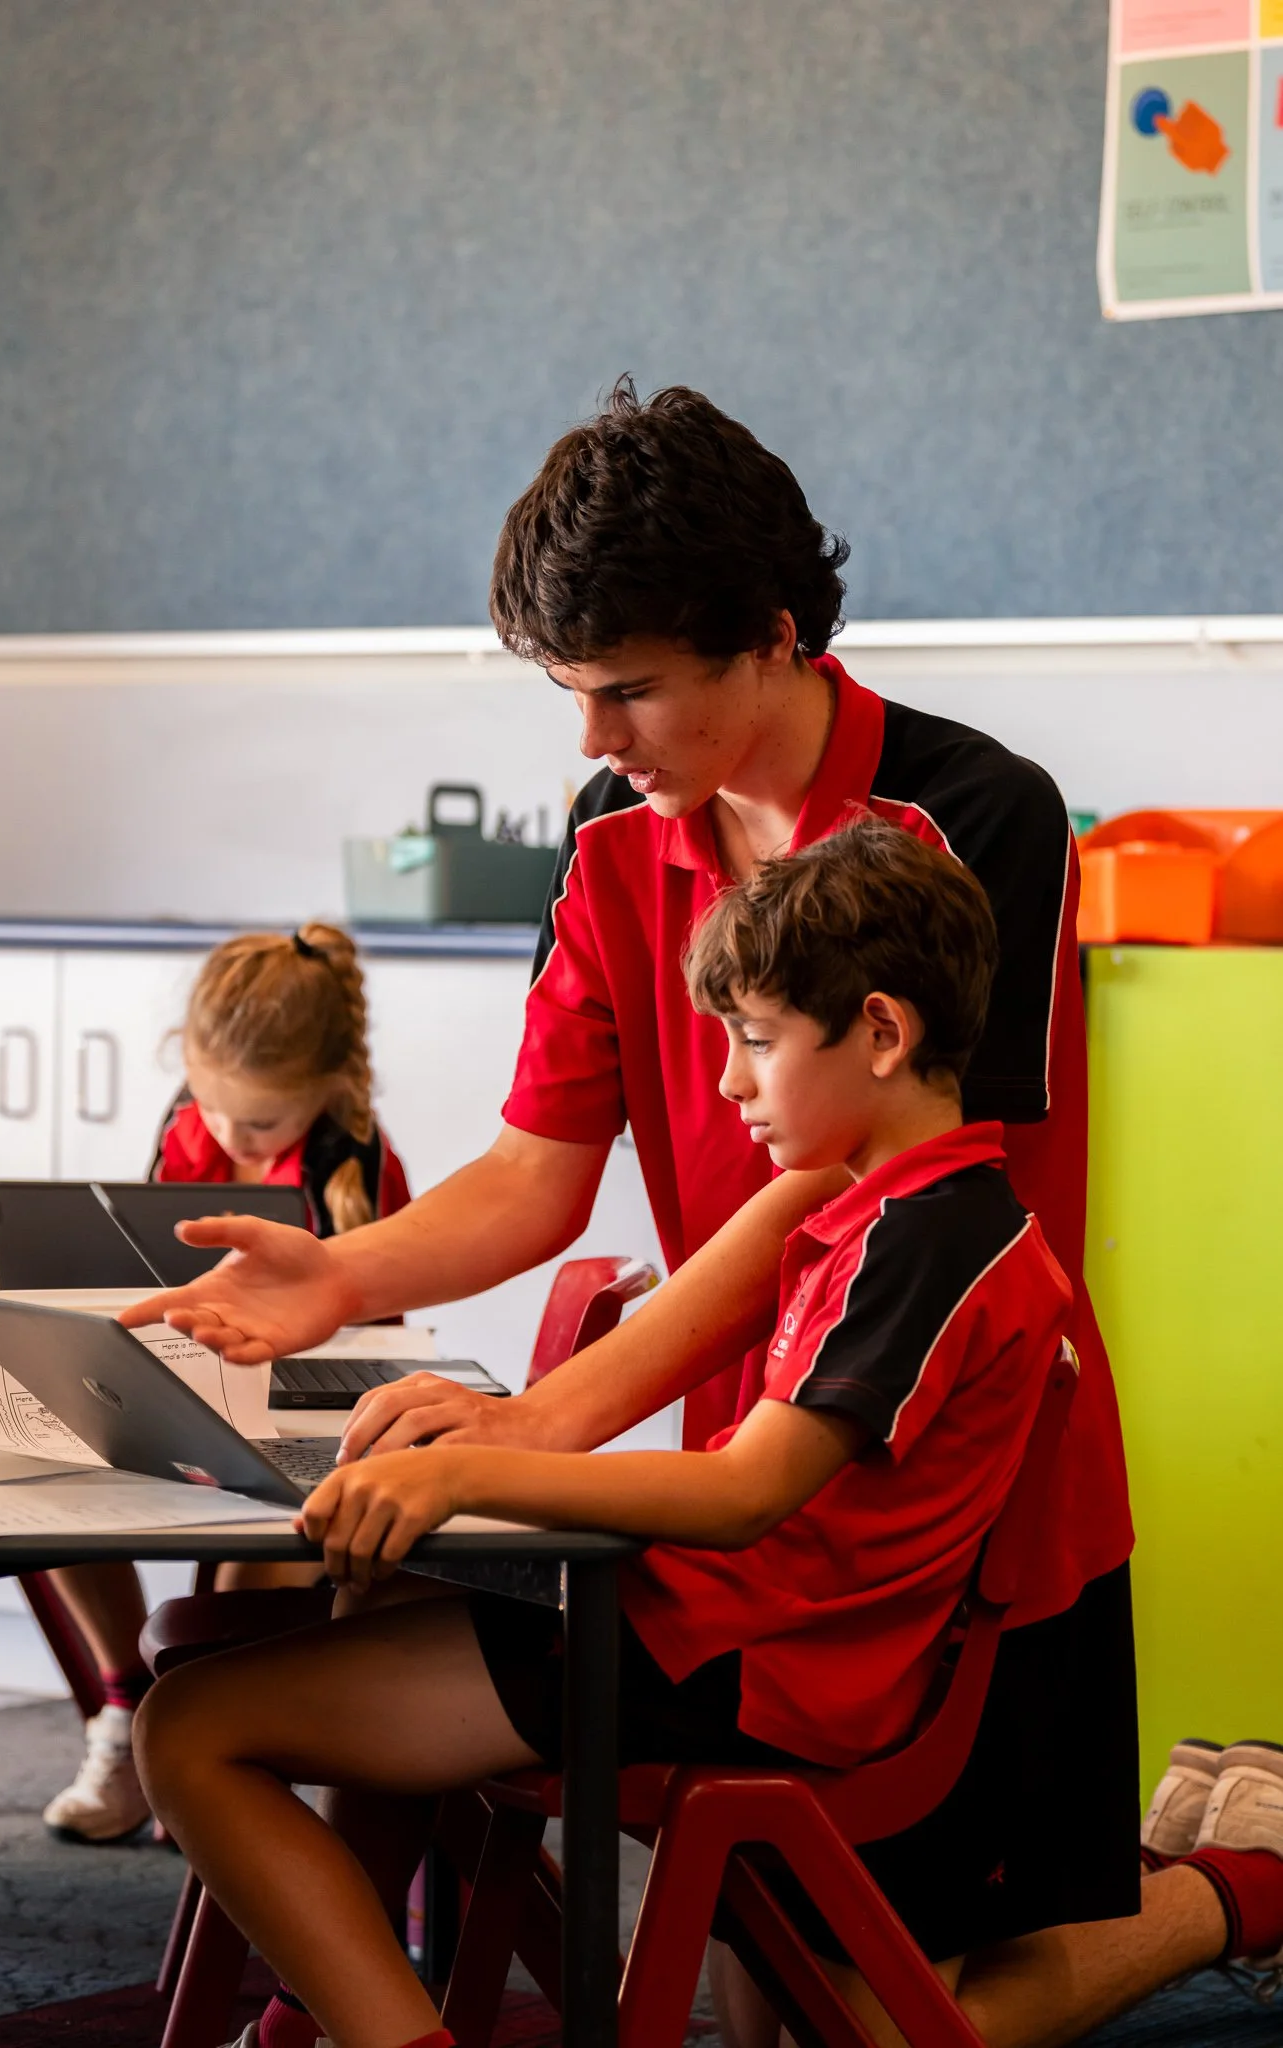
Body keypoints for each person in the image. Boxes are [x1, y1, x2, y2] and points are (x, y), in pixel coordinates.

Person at [122, 382, 1283, 2041]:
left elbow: (859, 1203)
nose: (594, 742)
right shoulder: (613, 836)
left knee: (869, 2016)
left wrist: (528, 1424)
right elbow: (540, 1166)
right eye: (573, 695)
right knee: (801, 2005)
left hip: (951, 1499)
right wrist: (341, 1272)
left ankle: (1231, 1876)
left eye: (629, 692)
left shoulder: (967, 819)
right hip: (745, 1490)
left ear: (774, 639)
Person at [134, 820, 1072, 2048]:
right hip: (709, 1635)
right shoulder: (883, 1215)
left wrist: (477, 1467)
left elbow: (745, 1492)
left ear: (884, 1033)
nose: (731, 1082)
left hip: (735, 1668)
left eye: (755, 1041)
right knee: (303, 1642)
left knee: (189, 1728)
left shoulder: (928, 1240)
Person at [43, 923, 410, 1846]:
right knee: (50, 1463)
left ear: (326, 1092)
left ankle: (195, 1733)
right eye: (213, 1109)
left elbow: (374, 1348)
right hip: (191, 1386)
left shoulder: (353, 1164)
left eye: (258, 1124)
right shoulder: (186, 1126)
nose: (227, 1134)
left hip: (302, 1420)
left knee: (267, 1548)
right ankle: (129, 1708)